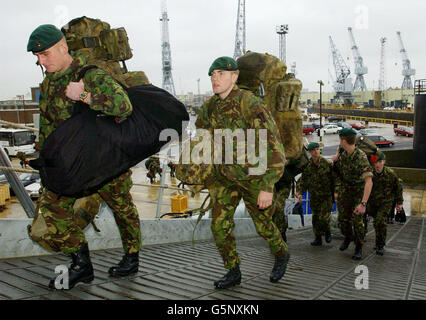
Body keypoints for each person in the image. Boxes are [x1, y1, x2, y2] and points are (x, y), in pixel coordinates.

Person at [27, 24, 141, 289]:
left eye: (46, 55)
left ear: (63, 47)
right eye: (38, 57)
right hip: (73, 166)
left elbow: (123, 106)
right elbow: (48, 125)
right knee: (53, 211)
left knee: (122, 210)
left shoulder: (89, 74)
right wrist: (44, 159)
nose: (41, 62)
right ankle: (82, 265)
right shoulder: (48, 82)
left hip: (106, 162)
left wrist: (85, 96)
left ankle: (132, 257)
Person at [195, 56, 289, 289]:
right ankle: (233, 270)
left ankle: (281, 253)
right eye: (212, 75)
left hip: (253, 177)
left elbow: (274, 147)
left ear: (235, 76)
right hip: (225, 177)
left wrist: (267, 186)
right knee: (219, 225)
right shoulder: (210, 107)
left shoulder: (250, 103)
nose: (215, 79)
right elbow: (202, 135)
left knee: (264, 226)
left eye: (221, 74)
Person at [332, 128, 373, 260]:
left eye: (340, 139)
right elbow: (339, 175)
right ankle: (348, 237)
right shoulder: (343, 156)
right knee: (343, 219)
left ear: (343, 140)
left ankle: (358, 247)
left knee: (357, 221)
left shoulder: (360, 157)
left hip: (357, 193)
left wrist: (363, 203)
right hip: (345, 192)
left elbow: (369, 182)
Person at [295, 142, 334, 246]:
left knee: (324, 217)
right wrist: (299, 193)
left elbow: (335, 179)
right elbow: (304, 181)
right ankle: (318, 238)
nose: (316, 151)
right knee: (316, 218)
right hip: (314, 196)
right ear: (310, 152)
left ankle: (327, 231)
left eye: (317, 149)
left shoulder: (327, 163)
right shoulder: (308, 166)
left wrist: (337, 192)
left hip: (326, 196)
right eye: (314, 150)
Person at [366, 152, 403, 255]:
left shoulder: (390, 174)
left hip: (385, 202)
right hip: (372, 202)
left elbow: (398, 188)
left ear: (384, 162)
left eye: (379, 162)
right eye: (375, 162)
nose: (377, 165)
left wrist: (399, 203)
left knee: (379, 221)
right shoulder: (370, 173)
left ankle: (380, 245)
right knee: (371, 221)